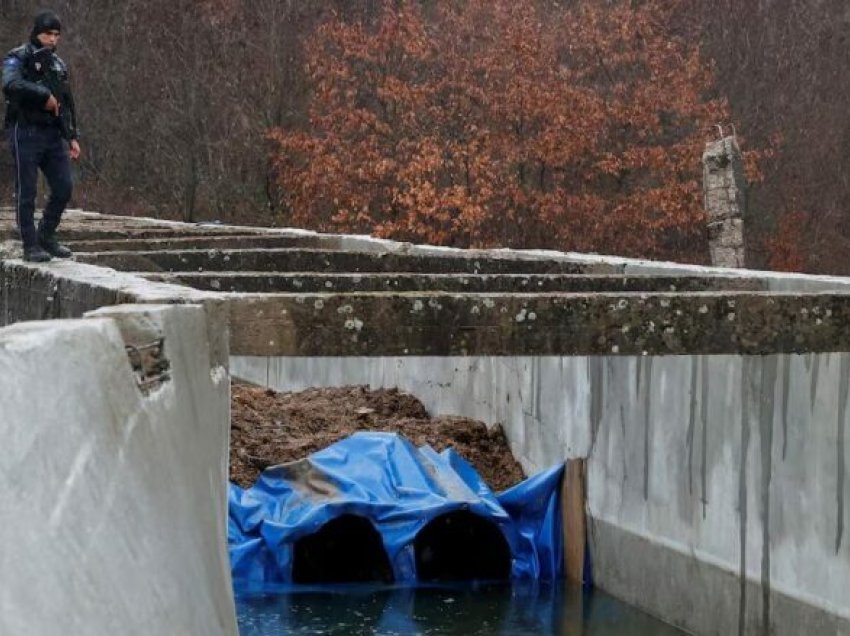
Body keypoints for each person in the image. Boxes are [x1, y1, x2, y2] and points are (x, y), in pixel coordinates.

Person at [2, 10, 80, 262]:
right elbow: (10, 84)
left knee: (64, 186)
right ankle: (30, 244)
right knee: (27, 191)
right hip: (24, 129)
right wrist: (42, 95)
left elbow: (66, 103)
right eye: (48, 34)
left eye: (57, 35)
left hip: (51, 132)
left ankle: (46, 234)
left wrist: (71, 136)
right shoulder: (19, 57)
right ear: (37, 33)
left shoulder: (58, 65)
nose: (53, 39)